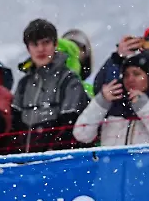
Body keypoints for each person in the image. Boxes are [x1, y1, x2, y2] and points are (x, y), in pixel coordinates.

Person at [10, 19, 90, 153]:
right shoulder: (23, 84)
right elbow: (15, 128)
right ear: (28, 48)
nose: (40, 49)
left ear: (55, 44)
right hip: (25, 165)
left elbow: (69, 126)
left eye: (45, 43)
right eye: (35, 44)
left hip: (58, 163)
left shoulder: (69, 80)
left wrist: (50, 155)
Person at [73, 51, 149, 146]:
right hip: (110, 168)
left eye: (137, 74)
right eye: (126, 75)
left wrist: (144, 107)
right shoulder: (113, 104)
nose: (130, 79)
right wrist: (101, 101)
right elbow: (81, 134)